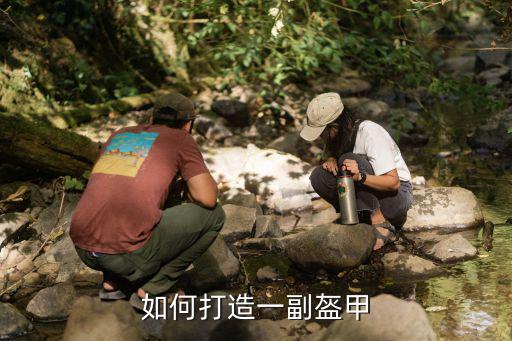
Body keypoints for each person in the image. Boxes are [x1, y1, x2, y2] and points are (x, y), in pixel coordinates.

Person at [70, 92, 225, 307]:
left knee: (132, 206)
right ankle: (154, 288)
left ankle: (112, 285)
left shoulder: (121, 134)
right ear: (188, 124)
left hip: (83, 248)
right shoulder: (181, 139)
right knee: (215, 216)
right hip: (122, 254)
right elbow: (208, 199)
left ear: (152, 119)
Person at [300, 92, 413, 250]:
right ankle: (355, 216)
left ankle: (379, 220)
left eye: (322, 132)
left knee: (349, 159)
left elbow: (393, 183)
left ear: (335, 126)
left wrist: (360, 177)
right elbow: (327, 158)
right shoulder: (337, 137)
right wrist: (330, 160)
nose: (320, 137)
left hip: (396, 196)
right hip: (369, 193)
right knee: (319, 176)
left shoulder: (369, 133)